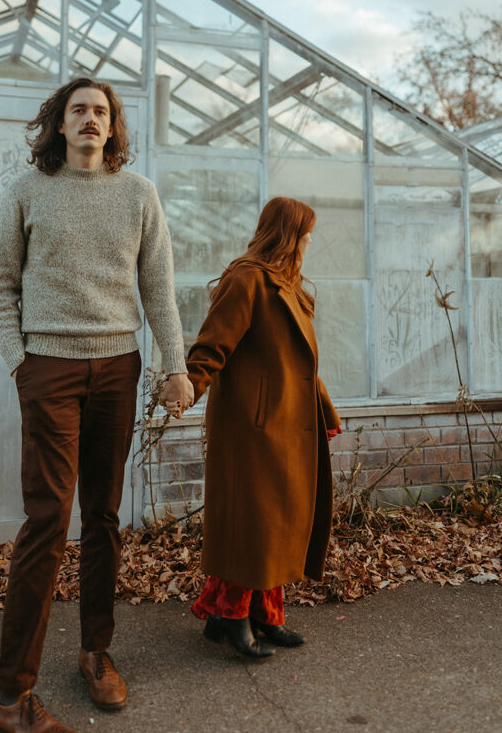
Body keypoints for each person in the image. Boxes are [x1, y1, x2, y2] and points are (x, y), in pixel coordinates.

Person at [0, 77, 193, 733]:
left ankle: (94, 653)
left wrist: (175, 366)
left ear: (112, 126)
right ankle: (9, 695)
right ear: (59, 123)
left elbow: (158, 287)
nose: (89, 120)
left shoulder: (138, 194)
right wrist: (22, 363)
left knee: (102, 515)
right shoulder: (25, 192)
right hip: (47, 368)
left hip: (117, 371)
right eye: (77, 109)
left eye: (100, 111)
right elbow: (0, 283)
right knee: (47, 521)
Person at [165, 197, 342, 659]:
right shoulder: (247, 280)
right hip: (252, 429)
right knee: (253, 527)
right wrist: (188, 387)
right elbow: (211, 345)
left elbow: (301, 362)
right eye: (305, 234)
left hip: (286, 426)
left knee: (277, 527)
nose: (308, 242)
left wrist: (325, 409)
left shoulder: (287, 285)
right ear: (287, 234)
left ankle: (264, 616)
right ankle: (232, 618)